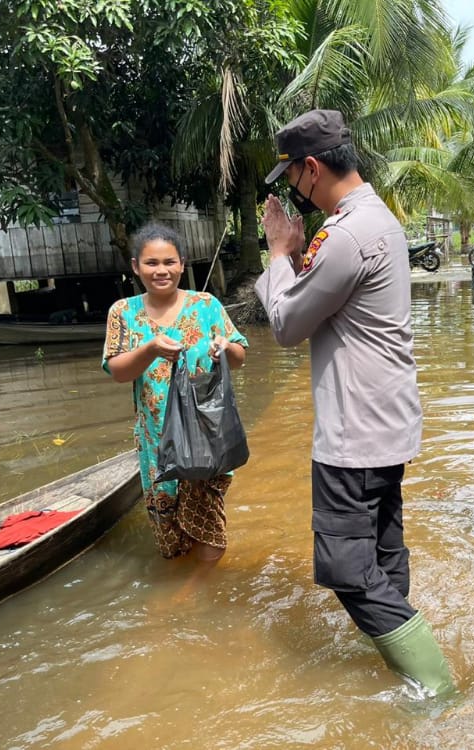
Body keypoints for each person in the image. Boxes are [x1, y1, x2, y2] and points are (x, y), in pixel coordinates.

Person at [254, 108, 452, 696]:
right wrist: (295, 253)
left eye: (291, 177)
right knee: (383, 552)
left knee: (346, 570)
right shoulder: (376, 220)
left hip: (354, 434)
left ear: (311, 168)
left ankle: (434, 684)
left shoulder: (344, 235)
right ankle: (399, 666)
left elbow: (288, 326)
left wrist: (276, 250)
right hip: (388, 424)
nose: (292, 189)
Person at [103, 222, 248, 577]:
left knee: (208, 520)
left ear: (182, 264)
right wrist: (151, 348)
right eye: (151, 263)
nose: (161, 271)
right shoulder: (122, 312)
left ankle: (199, 590)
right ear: (136, 266)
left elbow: (240, 356)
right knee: (168, 534)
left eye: (169, 262)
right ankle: (182, 580)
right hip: (156, 441)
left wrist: (224, 347)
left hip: (205, 437)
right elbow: (118, 370)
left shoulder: (206, 305)